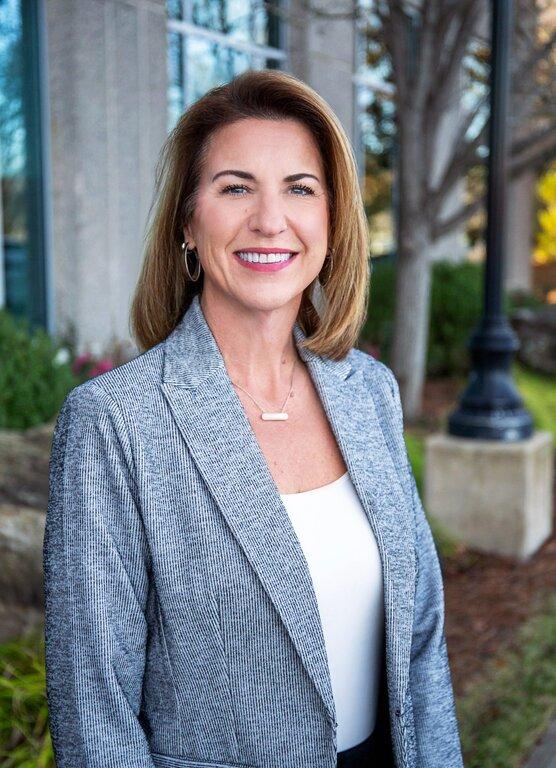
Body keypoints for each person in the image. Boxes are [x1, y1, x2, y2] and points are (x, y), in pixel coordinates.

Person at [43, 69, 464, 768]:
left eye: (300, 189)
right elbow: (95, 714)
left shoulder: (370, 393)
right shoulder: (115, 423)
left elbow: (419, 643)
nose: (271, 220)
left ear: (331, 221)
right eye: (236, 188)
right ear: (187, 222)